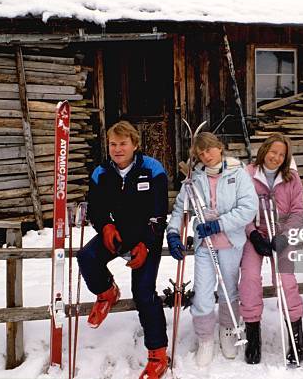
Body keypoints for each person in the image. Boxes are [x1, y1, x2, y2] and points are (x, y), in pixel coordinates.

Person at [76, 121, 170, 379]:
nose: (117, 149)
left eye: (123, 144)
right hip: (117, 233)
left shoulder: (152, 169)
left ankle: (158, 354)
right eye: (113, 144)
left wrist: (146, 243)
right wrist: (105, 226)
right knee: (86, 257)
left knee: (143, 292)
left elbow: (159, 212)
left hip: (146, 237)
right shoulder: (101, 172)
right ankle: (107, 292)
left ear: (135, 145)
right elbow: (95, 208)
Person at [166, 132, 258, 367]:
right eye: (200, 153)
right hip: (205, 244)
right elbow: (180, 209)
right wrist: (174, 233)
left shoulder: (238, 173)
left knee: (229, 289)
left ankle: (227, 331)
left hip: (230, 241)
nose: (206, 156)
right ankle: (205, 338)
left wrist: (219, 224)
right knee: (203, 291)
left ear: (219, 147)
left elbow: (248, 208)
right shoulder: (194, 178)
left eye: (209, 149)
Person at [239, 133, 303, 365]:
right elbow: (241, 208)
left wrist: (285, 236)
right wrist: (253, 233)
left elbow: (298, 211)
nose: (276, 157)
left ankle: (296, 336)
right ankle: (253, 336)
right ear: (264, 150)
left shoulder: (291, 178)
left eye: (281, 154)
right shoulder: (247, 175)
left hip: (281, 236)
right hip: (256, 235)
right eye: (273, 152)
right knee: (249, 278)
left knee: (286, 280)